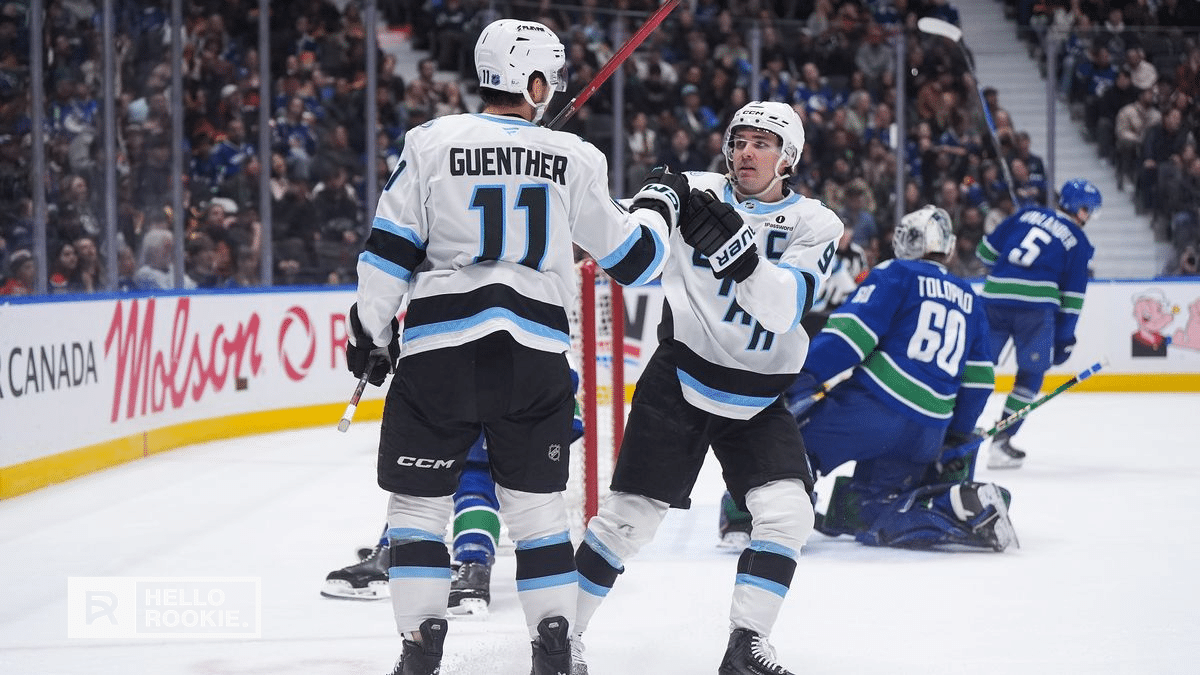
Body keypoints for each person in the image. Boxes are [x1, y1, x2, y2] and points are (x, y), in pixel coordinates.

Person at [344, 19, 683, 675]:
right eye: (549, 81)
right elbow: (637, 262)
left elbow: (386, 253)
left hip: (439, 352)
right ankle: (553, 648)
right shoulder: (575, 158)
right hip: (533, 358)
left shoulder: (430, 141)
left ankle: (419, 650)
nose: (554, 92)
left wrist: (371, 333)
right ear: (531, 82)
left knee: (417, 508)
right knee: (538, 515)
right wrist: (658, 202)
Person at [572, 101, 842, 675]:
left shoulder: (816, 224)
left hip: (760, 397)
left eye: (762, 143)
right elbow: (631, 259)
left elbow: (781, 309)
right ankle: (559, 637)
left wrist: (739, 257)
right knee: (626, 520)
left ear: (788, 158)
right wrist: (649, 201)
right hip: (682, 376)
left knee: (788, 513)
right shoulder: (696, 190)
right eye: (740, 140)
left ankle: (745, 648)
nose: (746, 151)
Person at [780, 206, 1012, 551]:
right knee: (876, 509)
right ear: (946, 247)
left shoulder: (896, 273)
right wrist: (957, 433)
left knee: (790, 445)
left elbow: (850, 336)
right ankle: (957, 504)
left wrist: (801, 377)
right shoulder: (969, 298)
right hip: (927, 433)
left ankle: (772, 519)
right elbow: (978, 380)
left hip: (872, 411)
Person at [977, 179, 1101, 469]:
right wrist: (1064, 338)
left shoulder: (1024, 214)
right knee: (1031, 375)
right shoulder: (1079, 241)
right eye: (1089, 210)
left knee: (974, 367)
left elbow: (983, 254)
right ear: (1078, 209)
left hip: (994, 299)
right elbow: (1072, 298)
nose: (1090, 217)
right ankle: (1001, 443)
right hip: (1035, 310)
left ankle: (946, 436)